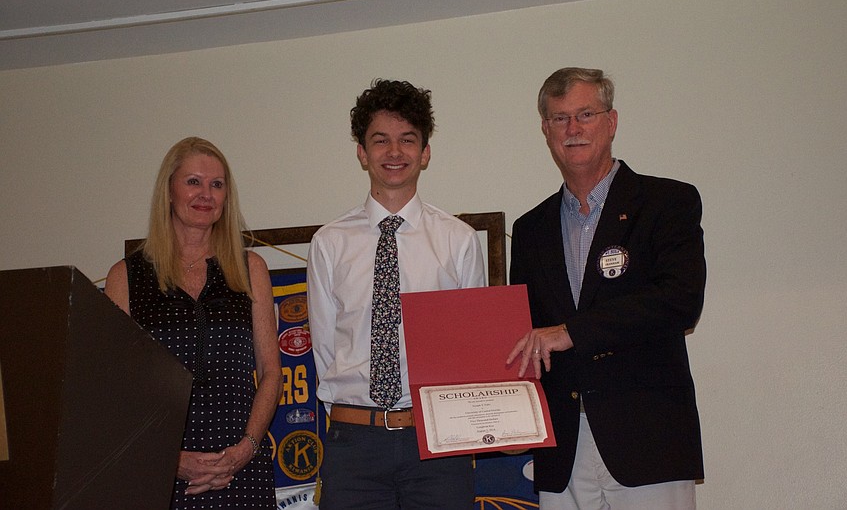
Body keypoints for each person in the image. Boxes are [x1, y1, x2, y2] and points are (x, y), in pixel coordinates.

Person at [506, 67, 706, 510]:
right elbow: (523, 335)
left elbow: (679, 302)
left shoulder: (667, 203)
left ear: (611, 122)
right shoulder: (530, 229)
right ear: (545, 130)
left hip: (647, 443)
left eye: (585, 115)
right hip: (562, 449)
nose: (573, 129)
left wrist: (570, 331)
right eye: (560, 119)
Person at [307, 79, 486, 509]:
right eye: (380, 140)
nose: (394, 152)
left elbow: (473, 351)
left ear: (424, 153)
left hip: (437, 439)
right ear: (361, 152)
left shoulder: (459, 241)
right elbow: (326, 349)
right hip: (354, 443)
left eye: (407, 140)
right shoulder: (329, 243)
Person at [105, 137, 282, 509]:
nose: (206, 194)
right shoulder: (126, 277)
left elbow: (271, 372)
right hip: (159, 473)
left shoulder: (251, 270)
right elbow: (115, 392)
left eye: (217, 185)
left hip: (241, 470)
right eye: (193, 182)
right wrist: (171, 459)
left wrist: (245, 449)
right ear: (169, 191)